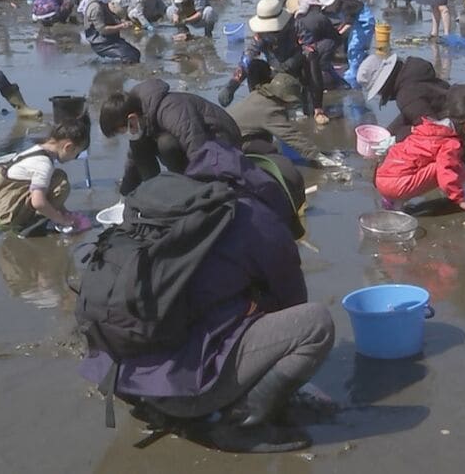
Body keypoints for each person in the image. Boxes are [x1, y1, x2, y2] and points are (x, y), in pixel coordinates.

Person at [81, 141, 331, 453]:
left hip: (117, 375)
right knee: (316, 325)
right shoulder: (260, 221)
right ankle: (237, 425)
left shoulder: (162, 201)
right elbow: (294, 306)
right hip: (180, 396)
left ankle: (162, 402)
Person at [99, 78, 242, 195]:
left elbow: (197, 145)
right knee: (139, 147)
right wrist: (124, 195)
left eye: (121, 131)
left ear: (131, 119)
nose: (124, 136)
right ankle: (155, 194)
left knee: (165, 144)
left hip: (220, 141)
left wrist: (203, 191)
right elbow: (133, 162)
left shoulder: (171, 108)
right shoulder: (141, 120)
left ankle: (187, 188)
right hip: (197, 146)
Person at [376, 92, 465, 220]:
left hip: (381, 178)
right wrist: (461, 199)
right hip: (397, 185)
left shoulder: (427, 127)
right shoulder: (450, 143)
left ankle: (392, 200)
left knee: (420, 162)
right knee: (448, 166)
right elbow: (446, 175)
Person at [357, 53, 465, 163]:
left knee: (420, 150)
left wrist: (396, 141)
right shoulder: (412, 74)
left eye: (379, 91)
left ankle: (444, 181)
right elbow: (411, 114)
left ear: (384, 84)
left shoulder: (407, 95)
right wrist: (389, 133)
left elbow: (430, 132)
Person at [0, 120, 92, 232]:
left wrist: (63, 211)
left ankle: (52, 212)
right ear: (68, 147)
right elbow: (38, 202)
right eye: (76, 154)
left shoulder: (38, 149)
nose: (75, 158)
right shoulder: (43, 164)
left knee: (58, 175)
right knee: (62, 185)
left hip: (4, 201)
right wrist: (62, 220)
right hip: (9, 213)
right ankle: (34, 222)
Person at [227, 69, 339, 167]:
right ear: (285, 99)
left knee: (265, 136)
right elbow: (291, 136)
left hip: (228, 132)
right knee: (271, 153)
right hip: (229, 143)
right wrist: (319, 157)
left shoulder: (258, 94)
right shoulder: (270, 111)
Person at [219, 0, 305, 107]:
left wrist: (287, 66)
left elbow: (306, 51)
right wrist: (234, 83)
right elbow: (249, 54)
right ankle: (258, 102)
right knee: (254, 66)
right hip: (274, 71)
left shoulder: (296, 27)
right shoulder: (262, 34)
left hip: (294, 74)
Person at [295, 0, 345, 124]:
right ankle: (318, 109)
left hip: (298, 54)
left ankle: (305, 108)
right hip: (312, 52)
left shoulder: (296, 19)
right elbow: (335, 37)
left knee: (304, 80)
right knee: (316, 77)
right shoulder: (320, 18)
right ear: (313, 5)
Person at [83, 0, 141, 64]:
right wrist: (122, 26)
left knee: (136, 54)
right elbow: (102, 30)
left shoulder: (102, 2)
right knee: (130, 57)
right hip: (101, 43)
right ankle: (118, 72)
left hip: (110, 39)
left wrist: (121, 21)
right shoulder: (95, 6)